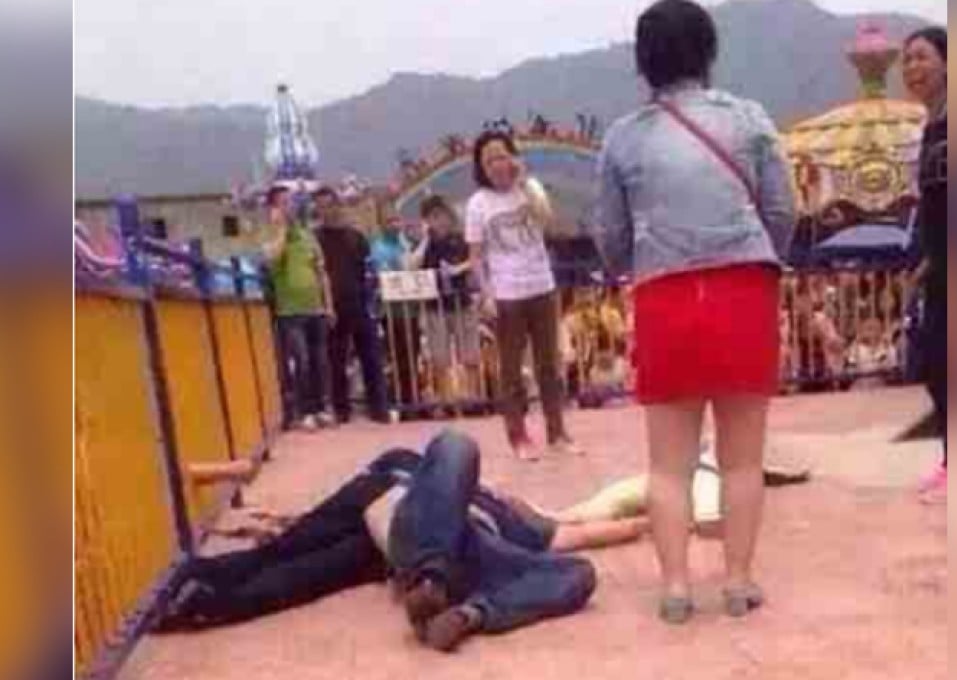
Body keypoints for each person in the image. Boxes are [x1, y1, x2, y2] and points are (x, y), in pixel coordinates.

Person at [595, 0, 795, 624]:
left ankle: (677, 587)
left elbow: (609, 232)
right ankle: (737, 581)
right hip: (742, 291)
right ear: (708, 51)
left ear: (643, 60)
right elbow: (782, 209)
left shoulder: (623, 137)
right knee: (740, 458)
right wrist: (764, 257)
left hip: (664, 297)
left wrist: (640, 264)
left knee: (667, 464)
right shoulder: (749, 119)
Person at [156, 431, 620, 652]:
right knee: (456, 445)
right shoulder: (451, 476)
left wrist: (661, 514)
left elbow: (593, 527)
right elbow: (429, 466)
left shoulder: (526, 527)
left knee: (581, 573)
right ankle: (197, 594)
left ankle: (465, 613)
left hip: (459, 553)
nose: (511, 496)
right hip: (403, 523)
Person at [466, 130, 583, 461]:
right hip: (506, 293)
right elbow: (475, 255)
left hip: (541, 286)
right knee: (512, 369)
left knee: (550, 364)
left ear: (513, 156)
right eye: (488, 160)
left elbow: (548, 221)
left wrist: (525, 181)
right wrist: (485, 292)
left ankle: (557, 432)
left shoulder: (530, 189)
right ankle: (518, 436)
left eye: (502, 156)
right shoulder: (478, 203)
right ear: (480, 167)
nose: (496, 165)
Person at [902, 26, 947, 503]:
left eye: (921, 57)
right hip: (942, 268)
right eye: (907, 61)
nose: (912, 68)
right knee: (938, 363)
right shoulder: (931, 129)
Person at [313, 187, 389, 424]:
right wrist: (325, 305)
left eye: (329, 205)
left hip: (359, 304)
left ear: (338, 206)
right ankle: (342, 410)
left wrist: (371, 300)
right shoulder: (315, 239)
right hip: (332, 308)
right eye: (320, 207)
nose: (325, 211)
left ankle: (379, 408)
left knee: (371, 358)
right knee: (336, 360)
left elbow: (368, 271)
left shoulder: (356, 237)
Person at [263, 185, 335, 431]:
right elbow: (271, 259)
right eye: (282, 203)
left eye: (290, 202)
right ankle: (304, 411)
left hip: (315, 307)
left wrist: (329, 304)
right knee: (301, 361)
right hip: (289, 311)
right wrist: (281, 228)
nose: (288, 207)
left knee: (319, 361)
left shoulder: (308, 235)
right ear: (273, 208)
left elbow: (321, 271)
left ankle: (321, 408)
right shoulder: (271, 234)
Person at [408, 195, 484, 408]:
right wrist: (424, 240)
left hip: (462, 301)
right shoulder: (422, 243)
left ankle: (473, 396)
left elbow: (475, 259)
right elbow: (411, 266)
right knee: (439, 354)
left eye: (441, 215)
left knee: (469, 351)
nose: (438, 221)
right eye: (432, 217)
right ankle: (445, 398)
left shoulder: (460, 239)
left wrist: (458, 269)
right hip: (435, 305)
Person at [370, 213, 423, 416]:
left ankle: (414, 399)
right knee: (397, 357)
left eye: (397, 220)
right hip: (391, 313)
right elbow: (385, 275)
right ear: (382, 224)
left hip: (411, 311)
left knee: (413, 356)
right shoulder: (379, 249)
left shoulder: (405, 244)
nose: (395, 225)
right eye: (390, 221)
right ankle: (399, 400)